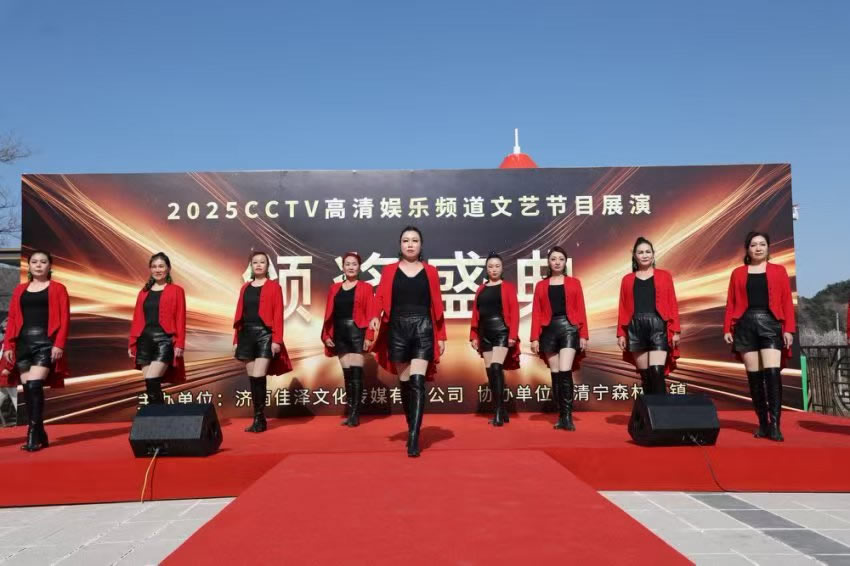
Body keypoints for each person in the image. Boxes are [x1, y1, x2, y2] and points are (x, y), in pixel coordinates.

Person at [367, 226, 446, 457]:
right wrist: (375, 316)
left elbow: (437, 305)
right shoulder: (389, 270)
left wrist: (441, 335)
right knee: (405, 382)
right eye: (406, 240)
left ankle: (414, 436)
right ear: (400, 244)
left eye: (415, 240)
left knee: (418, 381)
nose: (410, 244)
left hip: (423, 327)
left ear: (421, 245)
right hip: (397, 328)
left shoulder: (431, 271)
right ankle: (412, 424)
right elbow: (380, 297)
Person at [724, 232, 795, 442]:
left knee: (772, 374)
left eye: (762, 244)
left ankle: (775, 425)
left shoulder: (779, 271)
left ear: (768, 247)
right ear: (747, 249)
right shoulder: (737, 273)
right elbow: (731, 302)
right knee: (754, 377)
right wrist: (727, 328)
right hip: (745, 325)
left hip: (770, 323)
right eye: (754, 245)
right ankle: (763, 423)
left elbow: (787, 301)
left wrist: (788, 329)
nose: (758, 248)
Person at [0, 250, 70, 451]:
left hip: (45, 342)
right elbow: (13, 319)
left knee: (34, 385)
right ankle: (40, 432)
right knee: (28, 390)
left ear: (50, 266)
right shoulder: (20, 290)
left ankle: (32, 434)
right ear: (29, 266)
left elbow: (65, 318)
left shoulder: (58, 288)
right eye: (34, 262)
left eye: (43, 262)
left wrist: (59, 344)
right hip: (23, 343)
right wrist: (9, 345)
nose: (38, 265)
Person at [233, 251, 293, 433]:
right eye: (255, 262)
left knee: (259, 375)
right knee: (252, 377)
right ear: (251, 266)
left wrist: (277, 340)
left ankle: (260, 419)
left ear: (268, 266)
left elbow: (278, 315)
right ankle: (258, 418)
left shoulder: (274, 287)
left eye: (262, 262)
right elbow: (239, 315)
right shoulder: (245, 287)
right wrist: (236, 339)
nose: (258, 265)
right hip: (246, 334)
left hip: (265, 335)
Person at [530, 246, 588, 431]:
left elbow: (581, 308)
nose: (557, 262)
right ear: (548, 262)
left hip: (569, 328)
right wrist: (534, 338)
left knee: (565, 371)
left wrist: (584, 334)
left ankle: (568, 416)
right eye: (553, 259)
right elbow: (536, 313)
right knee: (555, 374)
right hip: (548, 330)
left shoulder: (574, 283)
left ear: (565, 262)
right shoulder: (541, 285)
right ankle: (561, 415)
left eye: (561, 259)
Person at [616, 237, 681, 394]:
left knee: (657, 373)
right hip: (635, 328)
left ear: (653, 254)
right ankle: (649, 410)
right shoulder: (627, 280)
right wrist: (621, 334)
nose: (644, 255)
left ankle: (662, 410)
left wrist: (676, 330)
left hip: (658, 327)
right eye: (640, 252)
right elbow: (623, 308)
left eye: (647, 252)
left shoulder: (665, 276)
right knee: (646, 377)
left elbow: (672, 303)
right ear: (634, 256)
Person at [321, 252, 373, 427]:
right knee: (347, 374)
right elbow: (328, 314)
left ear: (359, 267)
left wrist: (369, 336)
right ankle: (351, 412)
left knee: (356, 373)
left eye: (354, 264)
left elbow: (371, 314)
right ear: (342, 267)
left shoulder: (366, 287)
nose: (351, 267)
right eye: (348, 264)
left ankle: (355, 414)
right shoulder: (334, 288)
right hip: (340, 333)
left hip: (357, 331)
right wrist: (326, 335)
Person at [128, 252, 186, 406]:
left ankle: (160, 417)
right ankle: (160, 417)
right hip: (144, 341)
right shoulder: (143, 292)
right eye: (154, 266)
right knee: (151, 386)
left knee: (152, 379)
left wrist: (180, 343)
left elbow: (181, 318)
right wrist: (132, 343)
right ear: (150, 269)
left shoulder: (177, 290)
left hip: (165, 340)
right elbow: (137, 319)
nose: (157, 269)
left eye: (161, 266)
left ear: (168, 268)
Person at [469, 253, 520, 426]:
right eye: (490, 266)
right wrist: (474, 335)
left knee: (497, 367)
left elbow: (514, 312)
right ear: (486, 269)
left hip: (501, 330)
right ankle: (501, 409)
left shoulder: (508, 287)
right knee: (490, 372)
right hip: (484, 332)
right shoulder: (481, 289)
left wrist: (512, 335)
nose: (494, 269)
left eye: (497, 266)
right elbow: (475, 314)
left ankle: (498, 411)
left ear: (502, 268)